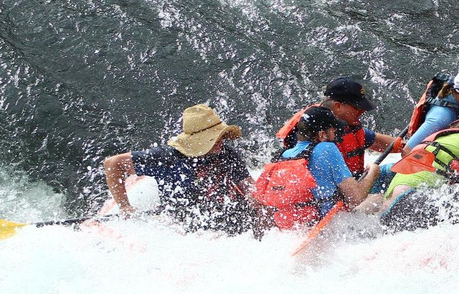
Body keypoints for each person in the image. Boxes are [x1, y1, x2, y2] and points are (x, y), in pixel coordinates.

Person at [102, 104, 255, 234]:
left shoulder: (226, 153)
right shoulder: (168, 157)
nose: (221, 140)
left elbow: (248, 186)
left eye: (220, 135)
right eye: (214, 137)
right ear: (197, 140)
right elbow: (112, 164)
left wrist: (257, 199)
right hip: (185, 227)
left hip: (228, 222)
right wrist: (125, 207)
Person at [254, 106, 378, 230]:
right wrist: (373, 172)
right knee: (377, 199)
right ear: (322, 134)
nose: (336, 133)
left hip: (290, 228)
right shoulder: (327, 148)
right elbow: (355, 198)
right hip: (328, 226)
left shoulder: (282, 156)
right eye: (333, 130)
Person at [276, 77, 404, 175]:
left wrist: (408, 148)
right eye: (357, 107)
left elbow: (375, 140)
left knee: (402, 171)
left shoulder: (347, 124)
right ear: (338, 106)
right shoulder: (312, 130)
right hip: (336, 197)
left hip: (353, 184)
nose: (362, 111)